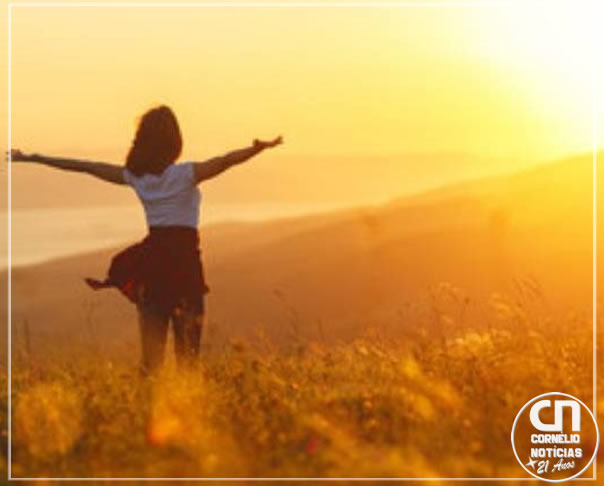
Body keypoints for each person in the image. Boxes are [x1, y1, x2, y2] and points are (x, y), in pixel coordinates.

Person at [9, 105, 283, 373]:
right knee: (189, 361)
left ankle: (145, 414)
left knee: (151, 363)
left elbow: (84, 167)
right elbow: (224, 161)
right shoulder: (186, 174)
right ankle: (185, 413)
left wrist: (33, 157)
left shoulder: (136, 177)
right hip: (185, 269)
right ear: (174, 141)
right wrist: (256, 150)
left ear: (142, 141)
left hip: (153, 270)